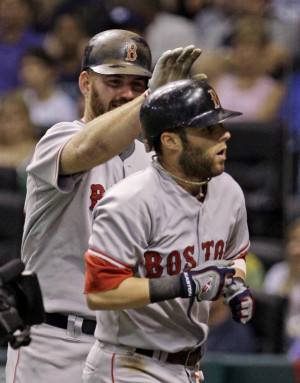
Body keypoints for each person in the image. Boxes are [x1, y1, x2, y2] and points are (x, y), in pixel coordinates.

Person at [5, 29, 202, 383]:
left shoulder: (158, 163)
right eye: (114, 81)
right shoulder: (60, 137)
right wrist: (150, 101)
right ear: (84, 83)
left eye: (138, 84)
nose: (127, 92)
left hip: (128, 351)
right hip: (56, 344)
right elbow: (92, 149)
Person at [83, 78, 254, 383]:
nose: (225, 134)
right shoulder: (129, 200)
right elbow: (101, 291)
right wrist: (183, 284)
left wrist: (235, 284)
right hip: (128, 364)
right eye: (208, 130)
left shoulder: (229, 191)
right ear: (170, 140)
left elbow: (235, 255)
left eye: (221, 125)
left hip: (190, 366)